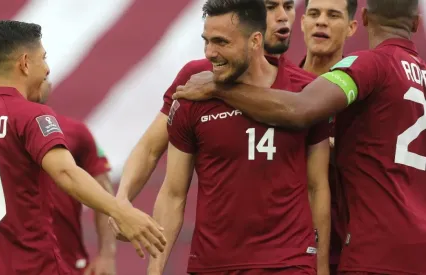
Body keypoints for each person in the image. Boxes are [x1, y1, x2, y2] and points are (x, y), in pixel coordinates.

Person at [173, 0, 426, 274]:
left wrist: (219, 90)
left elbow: (300, 109)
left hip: (374, 248)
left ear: (362, 19)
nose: (321, 22)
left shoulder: (368, 64)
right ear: (416, 23)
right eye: (314, 14)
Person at [111, 0, 330, 273]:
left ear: (254, 40)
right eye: (273, 6)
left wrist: (321, 266)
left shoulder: (306, 92)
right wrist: (122, 201)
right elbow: (163, 173)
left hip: (287, 262)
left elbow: (318, 187)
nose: (282, 17)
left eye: (288, 6)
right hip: (212, 264)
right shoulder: (192, 86)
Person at [0, 20, 166, 275]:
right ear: (25, 63)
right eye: (43, 58)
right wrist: (121, 212)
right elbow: (66, 173)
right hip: (35, 267)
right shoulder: (30, 115)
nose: (47, 69)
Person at [0, 82, 118, 275]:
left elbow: (103, 187)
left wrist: (107, 254)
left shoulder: (76, 132)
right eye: (42, 68)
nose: (46, 79)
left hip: (64, 260)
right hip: (5, 262)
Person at [299, 0, 357, 273]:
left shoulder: (364, 98)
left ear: (352, 27)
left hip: (349, 251)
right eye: (314, 14)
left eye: (333, 15)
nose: (321, 21)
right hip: (286, 251)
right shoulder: (275, 89)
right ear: (302, 23)